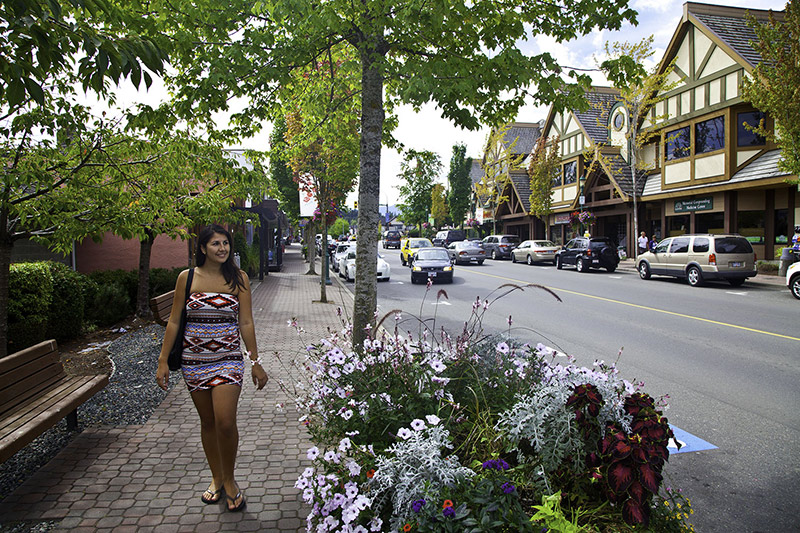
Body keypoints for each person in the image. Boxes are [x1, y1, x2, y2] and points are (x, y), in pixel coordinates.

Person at [156, 224, 268, 512]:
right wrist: (162, 361)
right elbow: (174, 321)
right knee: (207, 423)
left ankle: (230, 480)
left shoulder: (239, 279)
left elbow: (246, 322)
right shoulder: (187, 278)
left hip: (228, 360)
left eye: (226, 243)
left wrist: (255, 362)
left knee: (225, 422)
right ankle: (216, 478)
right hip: (195, 363)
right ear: (203, 247)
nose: (222, 248)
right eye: (216, 244)